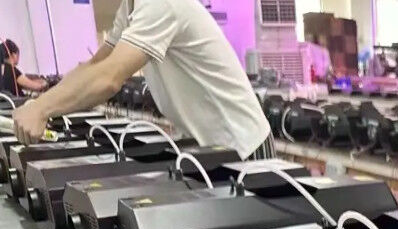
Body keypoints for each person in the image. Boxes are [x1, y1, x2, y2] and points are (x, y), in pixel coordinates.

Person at [12, 0, 273, 159]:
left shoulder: (161, 4)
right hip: (206, 145)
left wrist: (42, 109)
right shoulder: (130, 8)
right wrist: (41, 103)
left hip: (241, 144)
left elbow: (108, 78)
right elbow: (94, 66)